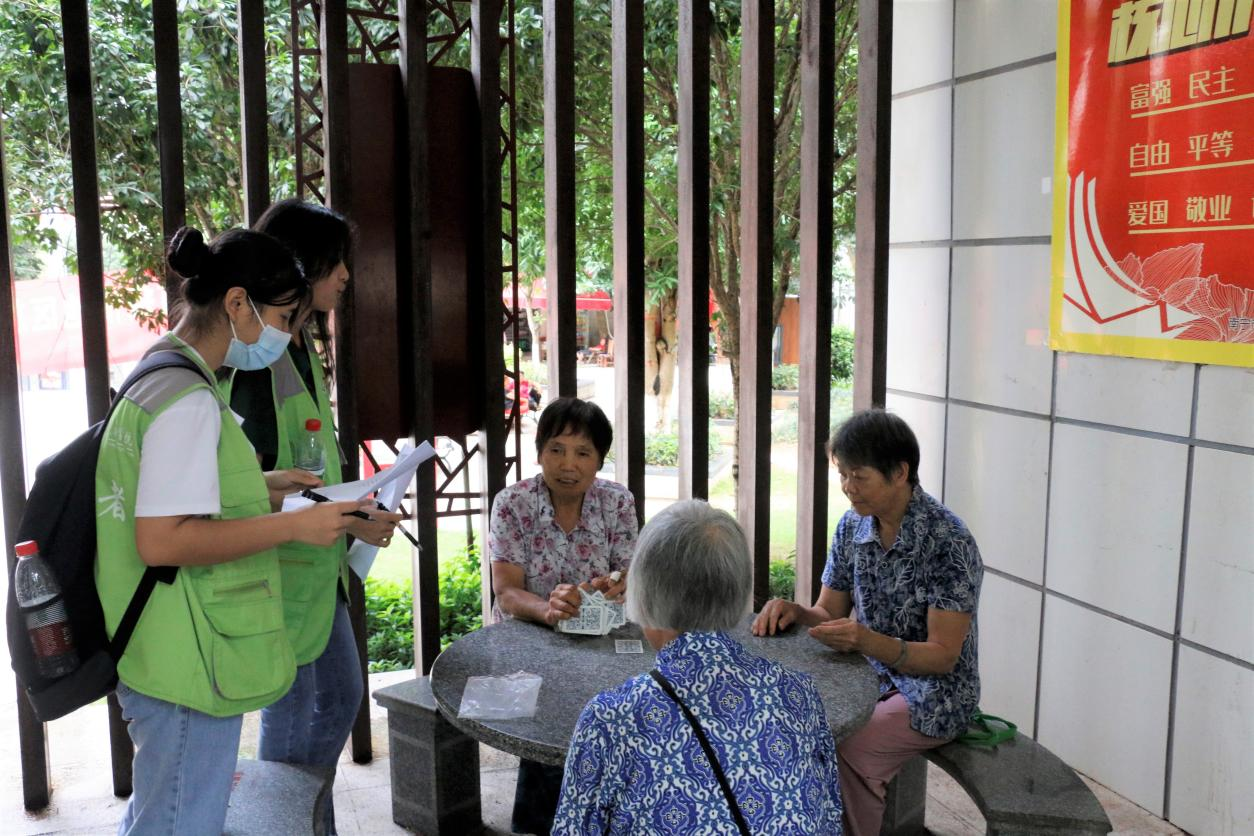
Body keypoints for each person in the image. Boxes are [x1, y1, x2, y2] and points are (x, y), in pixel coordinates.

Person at [95, 226, 371, 835]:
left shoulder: (159, 370)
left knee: (159, 812)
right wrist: (290, 529)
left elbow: (172, 492)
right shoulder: (190, 397)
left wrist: (265, 484)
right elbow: (164, 539)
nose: (283, 334)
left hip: (157, 641)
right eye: (281, 317)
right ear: (238, 303)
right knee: (181, 821)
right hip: (184, 652)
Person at [227, 198, 400, 834]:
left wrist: (352, 509)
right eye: (337, 263)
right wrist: (347, 515)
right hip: (277, 574)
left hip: (315, 570)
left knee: (338, 701)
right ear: (297, 267)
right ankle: (288, 822)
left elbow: (305, 468)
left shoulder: (297, 348)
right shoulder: (253, 361)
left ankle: (306, 821)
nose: (347, 276)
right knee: (294, 718)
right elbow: (245, 486)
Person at [752, 409, 983, 836]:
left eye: (858, 476)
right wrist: (796, 613)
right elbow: (828, 612)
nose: (847, 488)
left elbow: (943, 657)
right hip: (870, 675)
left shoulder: (949, 541)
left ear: (900, 472)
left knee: (849, 749)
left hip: (937, 693)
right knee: (784, 720)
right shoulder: (852, 526)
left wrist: (868, 642)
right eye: (842, 474)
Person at [552, 500, 844, 835]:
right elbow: (829, 814)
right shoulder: (799, 692)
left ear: (644, 591)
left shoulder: (612, 716)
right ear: (738, 589)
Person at [489, 396, 638, 835]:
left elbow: (628, 571)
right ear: (539, 453)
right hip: (530, 641)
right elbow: (506, 592)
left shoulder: (618, 503)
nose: (567, 464)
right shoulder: (512, 504)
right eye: (556, 449)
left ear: (599, 460)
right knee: (546, 740)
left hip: (602, 642)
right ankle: (535, 825)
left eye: (583, 452)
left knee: (609, 727)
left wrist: (619, 583)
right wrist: (548, 610)